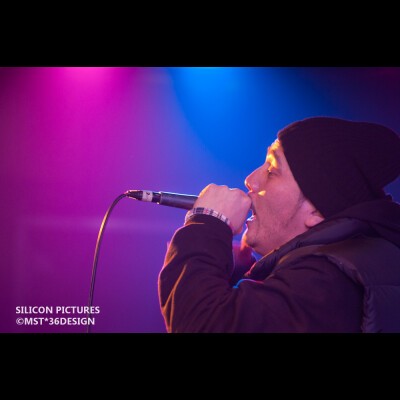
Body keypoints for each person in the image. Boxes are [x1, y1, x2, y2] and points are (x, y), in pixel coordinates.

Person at [158, 117, 400, 333]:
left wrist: (207, 223)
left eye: (272, 170)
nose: (250, 179)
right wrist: (239, 273)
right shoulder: (346, 270)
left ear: (316, 210)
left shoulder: (324, 284)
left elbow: (202, 324)